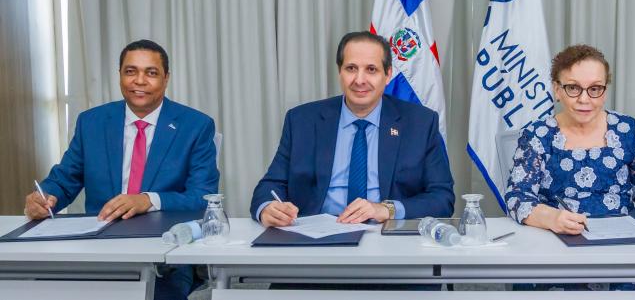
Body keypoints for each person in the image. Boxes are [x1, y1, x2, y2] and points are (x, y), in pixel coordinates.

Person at [25, 39, 219, 300]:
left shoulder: (195, 125)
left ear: (166, 78)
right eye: (131, 71)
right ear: (120, 76)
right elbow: (65, 178)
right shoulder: (92, 122)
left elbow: (203, 196)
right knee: (40, 289)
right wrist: (45, 196)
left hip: (163, 255)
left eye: (151, 73)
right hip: (98, 248)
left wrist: (148, 199)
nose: (140, 81)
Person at [250, 31, 454, 227]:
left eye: (371, 69)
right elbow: (269, 186)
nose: (359, 80)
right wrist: (268, 208)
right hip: (317, 240)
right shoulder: (302, 121)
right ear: (340, 71)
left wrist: (387, 210)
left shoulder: (420, 123)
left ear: (388, 74)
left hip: (386, 237)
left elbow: (442, 198)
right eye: (351, 68)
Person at [504, 44, 635, 291]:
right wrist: (553, 218)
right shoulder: (537, 135)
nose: (584, 99)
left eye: (595, 89)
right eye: (573, 88)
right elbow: (517, 198)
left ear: (605, 90)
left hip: (621, 253)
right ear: (557, 89)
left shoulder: (630, 130)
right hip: (556, 248)